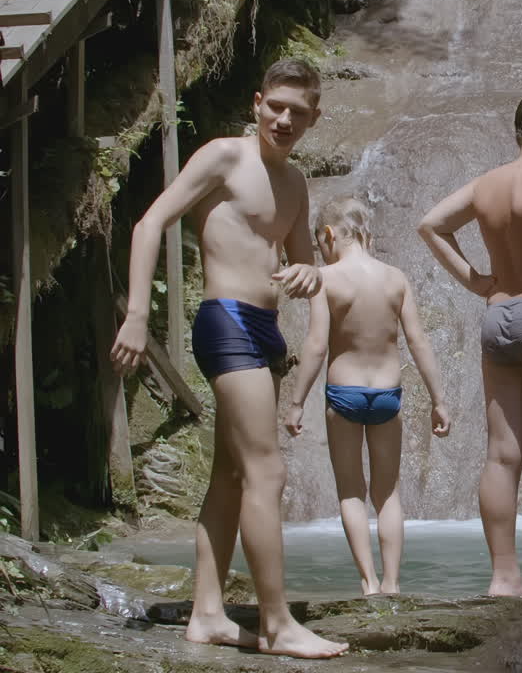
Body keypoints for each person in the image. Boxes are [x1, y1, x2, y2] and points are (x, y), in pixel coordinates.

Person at [109, 59, 348, 658]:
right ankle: (276, 624)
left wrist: (308, 272)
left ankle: (208, 614)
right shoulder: (223, 156)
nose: (285, 118)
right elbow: (150, 222)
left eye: (299, 111)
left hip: (265, 329)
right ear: (258, 101)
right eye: (277, 106)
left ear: (316, 116)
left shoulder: (295, 184)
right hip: (227, 323)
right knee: (267, 471)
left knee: (231, 475)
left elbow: (302, 267)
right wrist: (137, 315)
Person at [417, 90, 522, 606]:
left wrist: (476, 281)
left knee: (501, 453)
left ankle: (503, 577)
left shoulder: (486, 185)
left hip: (498, 318)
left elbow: (430, 225)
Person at [285, 196, 452, 596]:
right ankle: (394, 583)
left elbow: (316, 346)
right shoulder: (395, 278)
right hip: (387, 395)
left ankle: (369, 583)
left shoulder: (327, 279)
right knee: (387, 492)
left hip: (344, 394)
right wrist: (438, 399)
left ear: (328, 235)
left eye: (320, 243)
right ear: (366, 234)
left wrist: (295, 401)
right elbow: (419, 341)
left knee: (350, 491)